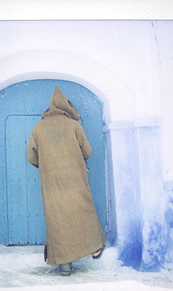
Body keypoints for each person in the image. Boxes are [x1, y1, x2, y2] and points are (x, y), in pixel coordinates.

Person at [27, 86, 105, 276]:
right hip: (75, 177)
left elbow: (31, 156)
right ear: (67, 108)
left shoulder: (38, 128)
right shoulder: (74, 126)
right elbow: (87, 151)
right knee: (83, 208)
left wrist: (46, 166)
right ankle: (94, 248)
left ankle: (64, 265)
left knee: (57, 217)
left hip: (51, 180)